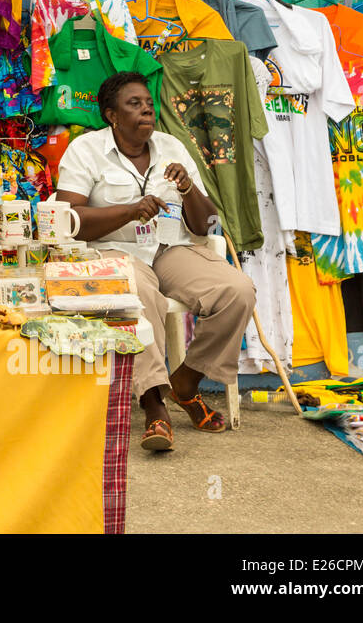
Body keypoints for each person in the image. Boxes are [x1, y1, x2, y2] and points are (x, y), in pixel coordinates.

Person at [55, 71, 256, 452]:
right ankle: (153, 403)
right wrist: (129, 212)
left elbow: (206, 223)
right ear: (111, 115)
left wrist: (188, 187)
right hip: (113, 250)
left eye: (149, 103)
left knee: (237, 290)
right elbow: (68, 219)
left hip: (171, 249)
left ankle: (186, 380)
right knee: (139, 290)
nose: (146, 109)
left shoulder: (172, 147)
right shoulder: (86, 150)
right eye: (134, 104)